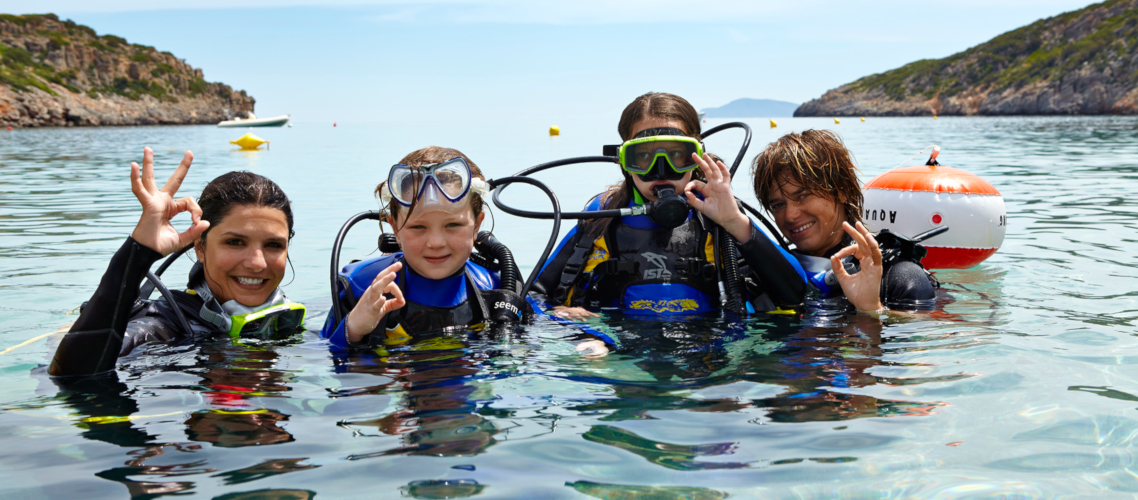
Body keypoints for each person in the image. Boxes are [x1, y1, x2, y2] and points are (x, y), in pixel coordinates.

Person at [531, 93, 806, 343]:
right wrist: (575, 328)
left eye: (676, 155)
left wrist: (734, 221)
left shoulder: (720, 216)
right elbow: (533, 298)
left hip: (708, 359)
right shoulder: (601, 216)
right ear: (624, 161)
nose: (660, 170)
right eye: (643, 157)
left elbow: (797, 295)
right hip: (616, 353)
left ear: (697, 157)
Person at [49, 147, 305, 378]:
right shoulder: (163, 328)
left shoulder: (292, 324)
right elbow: (73, 374)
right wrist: (138, 253)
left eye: (273, 245)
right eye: (235, 242)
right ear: (200, 248)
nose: (257, 263)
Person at [322, 146, 523, 350]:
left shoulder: (499, 288)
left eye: (452, 225)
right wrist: (353, 329)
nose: (435, 243)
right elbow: (321, 355)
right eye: (418, 227)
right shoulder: (359, 287)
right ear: (396, 229)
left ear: (477, 226)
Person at [750, 129, 938, 313]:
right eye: (778, 205)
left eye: (803, 195)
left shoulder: (901, 277)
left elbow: (920, 336)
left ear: (843, 191)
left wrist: (871, 310)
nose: (790, 215)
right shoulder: (767, 276)